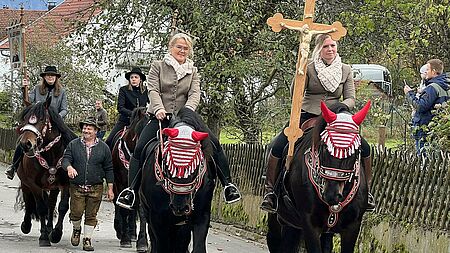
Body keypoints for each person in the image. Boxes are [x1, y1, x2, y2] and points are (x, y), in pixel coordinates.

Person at [116, 33, 241, 210]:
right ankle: (131, 191)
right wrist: (158, 108)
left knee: (214, 143)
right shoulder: (158, 66)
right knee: (140, 148)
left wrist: (188, 111)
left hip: (186, 118)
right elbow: (153, 89)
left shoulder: (193, 70)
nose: (182, 50)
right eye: (179, 47)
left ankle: (228, 185)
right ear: (171, 47)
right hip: (160, 116)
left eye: (186, 48)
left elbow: (195, 93)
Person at [260, 33, 375, 213]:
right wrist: (299, 72)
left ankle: (367, 192)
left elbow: (351, 98)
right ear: (319, 49)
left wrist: (339, 108)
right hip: (308, 113)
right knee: (278, 144)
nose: (330, 49)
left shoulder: (345, 69)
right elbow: (295, 93)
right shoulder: (310, 68)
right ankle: (270, 192)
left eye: (333, 46)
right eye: (326, 46)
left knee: (365, 147)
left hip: (336, 116)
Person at [5, 65, 68, 180]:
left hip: (55, 122)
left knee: (70, 139)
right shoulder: (37, 88)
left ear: (56, 78)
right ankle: (14, 167)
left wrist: (58, 117)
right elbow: (27, 101)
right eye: (48, 75)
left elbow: (64, 109)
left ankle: (75, 168)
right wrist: (24, 88)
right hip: (38, 122)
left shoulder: (62, 92)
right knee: (22, 141)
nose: (50, 77)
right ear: (44, 77)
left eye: (52, 75)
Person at [62, 117, 114, 251]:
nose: (86, 130)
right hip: (77, 186)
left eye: (89, 128)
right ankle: (76, 229)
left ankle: (87, 240)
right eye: (84, 128)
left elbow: (109, 169)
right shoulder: (73, 144)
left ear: (96, 131)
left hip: (96, 187)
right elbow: (66, 159)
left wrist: (110, 189)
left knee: (91, 215)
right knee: (76, 213)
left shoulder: (104, 148)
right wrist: (69, 167)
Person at [404, 59, 450, 155]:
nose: (426, 72)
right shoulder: (446, 85)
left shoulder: (432, 87)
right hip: (438, 128)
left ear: (433, 71)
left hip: (425, 128)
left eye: (428, 69)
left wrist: (409, 94)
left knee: (424, 160)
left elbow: (421, 106)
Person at [104, 67, 149, 149]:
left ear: (140, 79)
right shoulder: (123, 90)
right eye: (131, 77)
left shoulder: (146, 91)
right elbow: (120, 108)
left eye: (136, 77)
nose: (133, 79)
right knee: (109, 141)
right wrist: (134, 114)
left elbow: (151, 104)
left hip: (141, 122)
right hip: (125, 121)